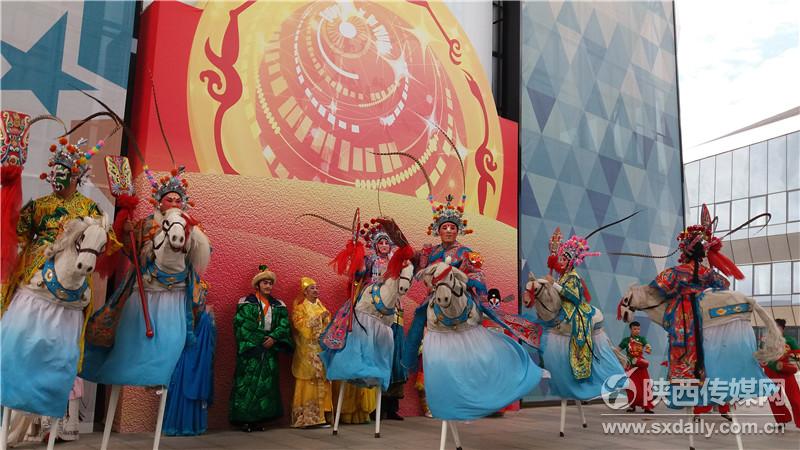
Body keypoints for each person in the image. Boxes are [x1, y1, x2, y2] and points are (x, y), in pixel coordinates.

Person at [1, 132, 119, 420]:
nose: (56, 177)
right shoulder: (39, 205)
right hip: (36, 271)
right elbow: (16, 232)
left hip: (72, 285)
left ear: (76, 176)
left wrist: (121, 227)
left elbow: (108, 241)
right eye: (53, 171)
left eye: (62, 172)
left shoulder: (90, 209)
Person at [81, 165, 211, 389]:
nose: (173, 203)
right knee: (133, 335)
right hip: (147, 287)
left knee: (174, 337)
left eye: (177, 200)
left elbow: (201, 254)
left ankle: (164, 374)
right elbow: (131, 252)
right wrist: (125, 229)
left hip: (178, 291)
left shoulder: (191, 226)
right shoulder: (147, 224)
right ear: (159, 202)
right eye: (169, 199)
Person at [229, 265, 293, 431]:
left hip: (270, 349)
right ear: (257, 285)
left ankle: (258, 420)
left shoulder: (278, 305)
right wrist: (260, 340)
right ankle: (245, 420)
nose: (268, 286)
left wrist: (274, 338)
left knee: (266, 386)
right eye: (265, 283)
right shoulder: (246, 302)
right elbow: (243, 325)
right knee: (248, 384)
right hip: (251, 350)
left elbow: (284, 324)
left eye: (270, 283)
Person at [164, 280, 217, 436]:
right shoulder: (181, 311)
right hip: (183, 356)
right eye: (198, 292)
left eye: (203, 293)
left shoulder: (207, 313)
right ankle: (178, 424)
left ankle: (193, 425)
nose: (201, 295)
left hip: (200, 357)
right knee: (179, 389)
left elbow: (211, 339)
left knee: (194, 388)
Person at [290, 277, 333, 428]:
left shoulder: (322, 307)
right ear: (305, 292)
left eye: (317, 288)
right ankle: (306, 419)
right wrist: (317, 319)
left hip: (321, 351)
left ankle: (322, 417)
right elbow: (300, 326)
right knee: (309, 381)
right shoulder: (300, 308)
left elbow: (328, 328)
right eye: (312, 288)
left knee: (322, 382)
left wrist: (326, 320)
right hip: (307, 351)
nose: (316, 290)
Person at [763, 318, 800, 428]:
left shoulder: (790, 340)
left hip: (786, 372)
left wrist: (791, 357)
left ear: (782, 329)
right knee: (775, 399)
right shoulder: (765, 341)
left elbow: (798, 355)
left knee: (795, 398)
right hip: (771, 372)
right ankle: (781, 421)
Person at [619, 321, 654, 413]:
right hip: (630, 366)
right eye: (635, 329)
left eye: (638, 329)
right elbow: (617, 350)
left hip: (641, 365)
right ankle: (632, 406)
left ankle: (647, 407)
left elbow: (647, 346)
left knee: (645, 386)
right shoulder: (626, 340)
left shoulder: (642, 339)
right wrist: (622, 359)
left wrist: (648, 348)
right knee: (631, 386)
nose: (637, 331)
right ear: (630, 329)